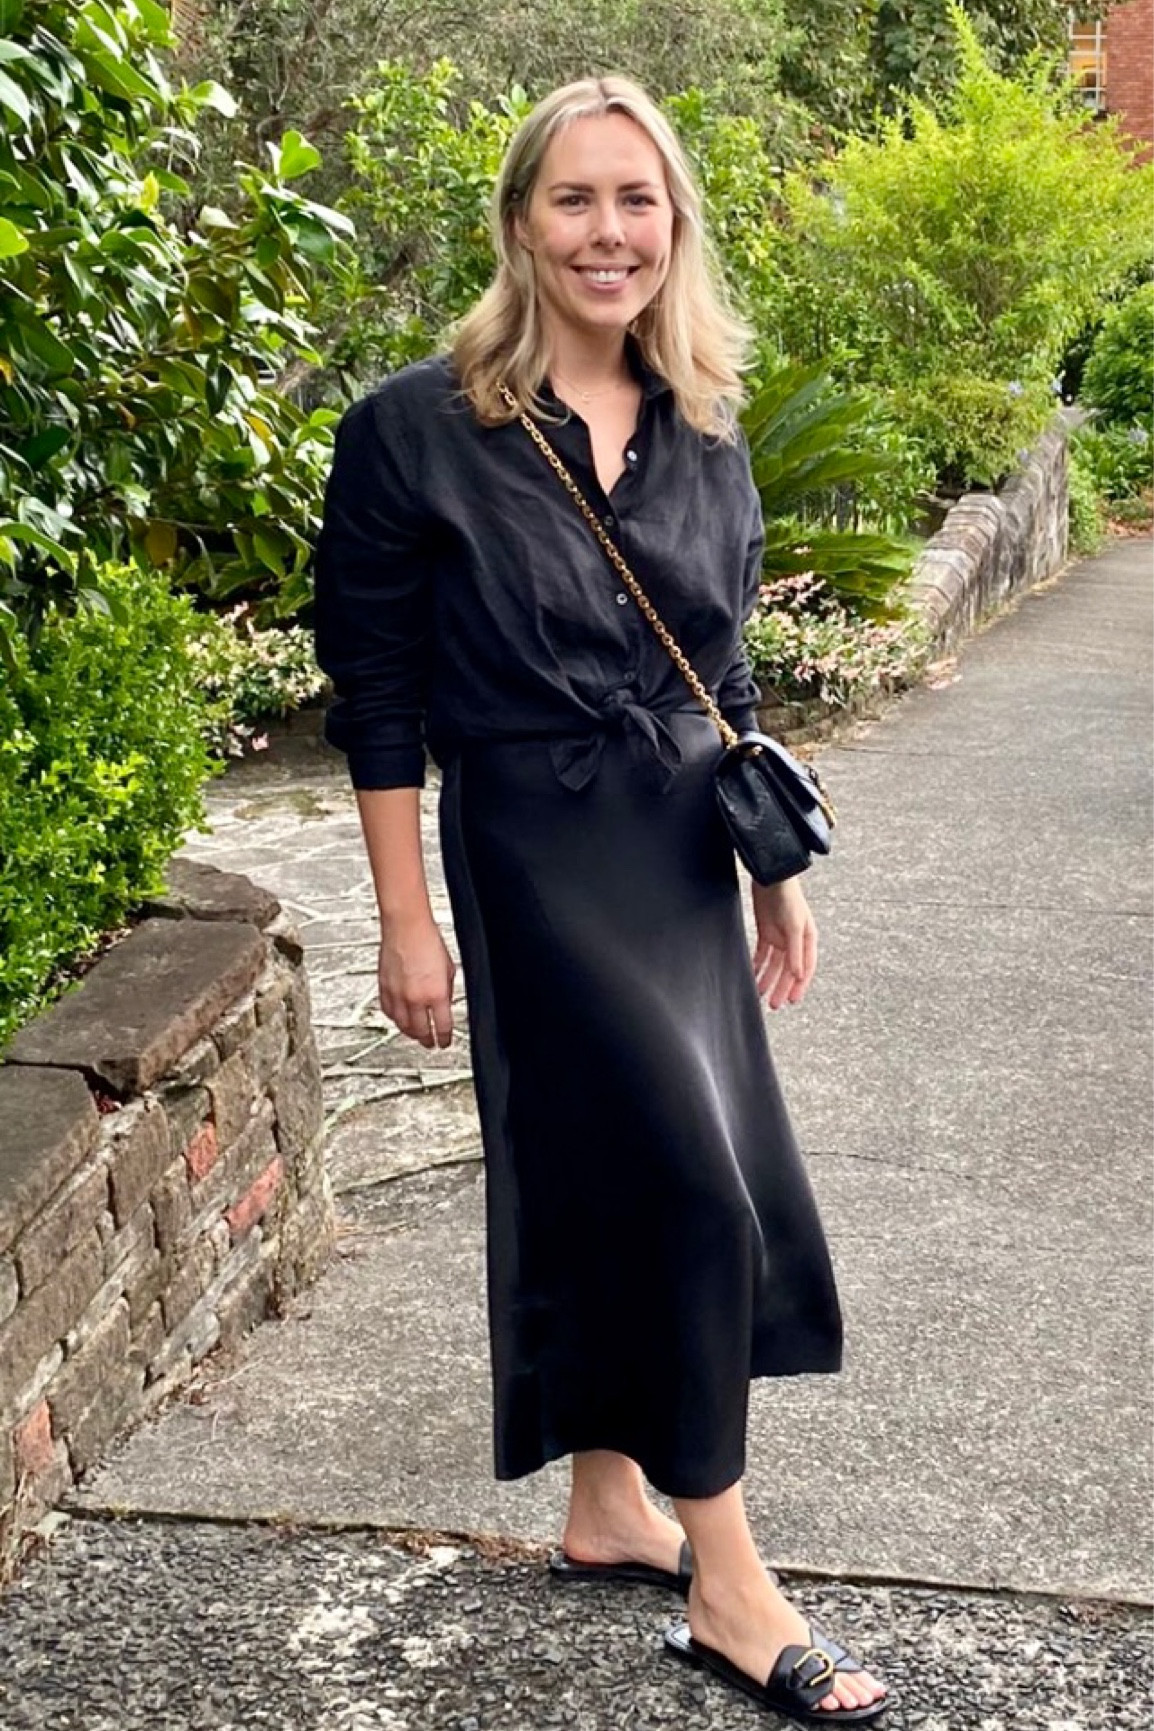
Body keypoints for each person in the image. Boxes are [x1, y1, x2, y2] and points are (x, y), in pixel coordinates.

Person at [313, 74, 890, 1725]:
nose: (607, 233)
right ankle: (730, 1582)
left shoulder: (705, 426)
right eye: (574, 200)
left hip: (677, 858)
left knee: (625, 1179)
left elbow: (727, 673)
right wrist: (405, 919)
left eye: (636, 201)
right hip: (535, 854)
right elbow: (379, 693)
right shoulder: (414, 428)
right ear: (518, 223)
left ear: (675, 226)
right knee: (686, 1192)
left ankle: (607, 1510)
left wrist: (770, 871)